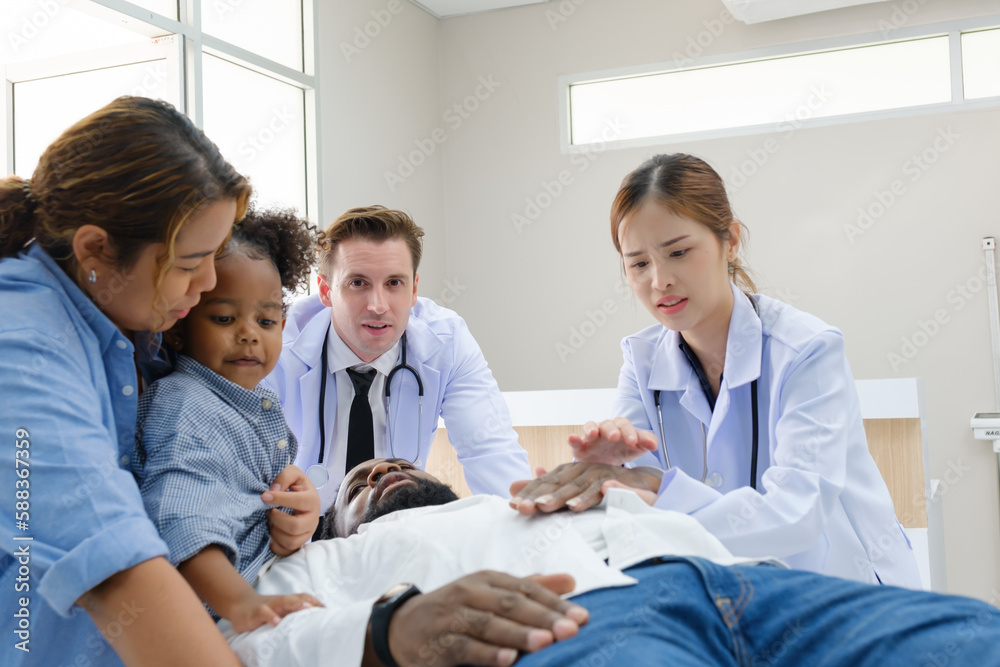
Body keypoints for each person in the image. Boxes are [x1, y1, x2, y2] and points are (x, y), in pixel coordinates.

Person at [510, 153, 920, 588]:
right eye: (639, 263)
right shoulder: (641, 361)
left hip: (845, 589)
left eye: (679, 252)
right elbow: (633, 498)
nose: (659, 281)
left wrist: (654, 490)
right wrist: (608, 470)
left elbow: (797, 515)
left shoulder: (807, 350)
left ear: (731, 240)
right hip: (734, 591)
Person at [0, 97, 310, 666]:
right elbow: (114, 565)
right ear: (95, 250)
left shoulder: (133, 320)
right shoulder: (20, 347)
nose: (208, 283)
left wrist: (280, 502)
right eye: (189, 264)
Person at [225, 458, 1000, 667]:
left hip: (748, 585)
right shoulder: (336, 556)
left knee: (972, 639)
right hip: (573, 619)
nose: (385, 470)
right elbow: (245, 642)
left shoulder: (533, 494)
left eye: (396, 461)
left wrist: (625, 482)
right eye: (360, 481)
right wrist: (386, 630)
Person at [132, 207, 323, 633]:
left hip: (264, 580)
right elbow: (182, 519)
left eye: (266, 321)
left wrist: (294, 516)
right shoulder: (185, 407)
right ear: (179, 325)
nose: (249, 333)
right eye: (224, 318)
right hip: (223, 614)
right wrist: (243, 605)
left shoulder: (246, 402)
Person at [267, 205, 531, 512]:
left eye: (394, 283)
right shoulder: (276, 347)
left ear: (414, 289)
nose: (378, 306)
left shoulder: (446, 343)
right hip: (295, 530)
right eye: (358, 283)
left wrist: (526, 520)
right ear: (326, 291)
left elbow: (490, 450)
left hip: (399, 528)